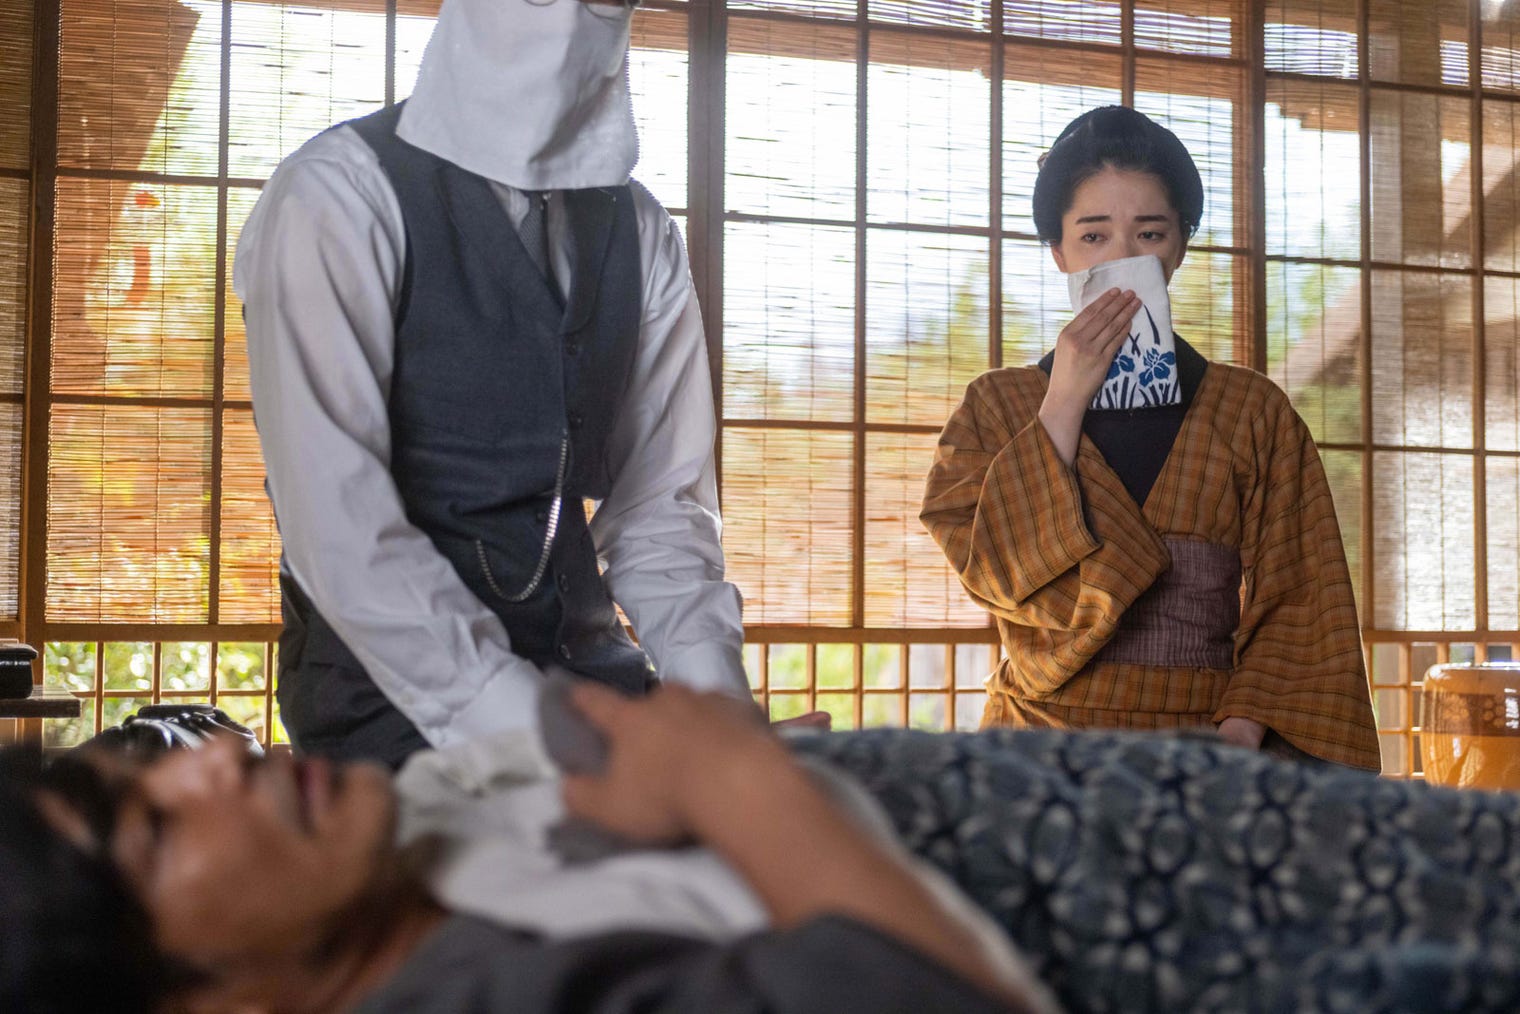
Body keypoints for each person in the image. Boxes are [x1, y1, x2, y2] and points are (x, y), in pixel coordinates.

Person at [234, 0, 766, 768]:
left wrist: (722, 721)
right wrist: (556, 744)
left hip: (598, 683)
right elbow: (341, 531)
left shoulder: (641, 230)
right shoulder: (336, 196)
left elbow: (663, 511)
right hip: (395, 706)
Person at [0, 686, 1050, 1014]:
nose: (219, 758)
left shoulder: (418, 832)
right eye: (155, 827)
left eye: (147, 767)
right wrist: (726, 778)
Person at [921, 105, 1379, 770]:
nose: (1123, 258)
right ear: (1059, 253)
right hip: (1033, 749)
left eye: (1150, 233)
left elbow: (1303, 596)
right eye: (1094, 236)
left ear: (1179, 247)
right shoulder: (994, 406)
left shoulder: (1252, 410)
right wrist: (1064, 398)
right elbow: (993, 571)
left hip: (1205, 750)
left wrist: (1239, 736)